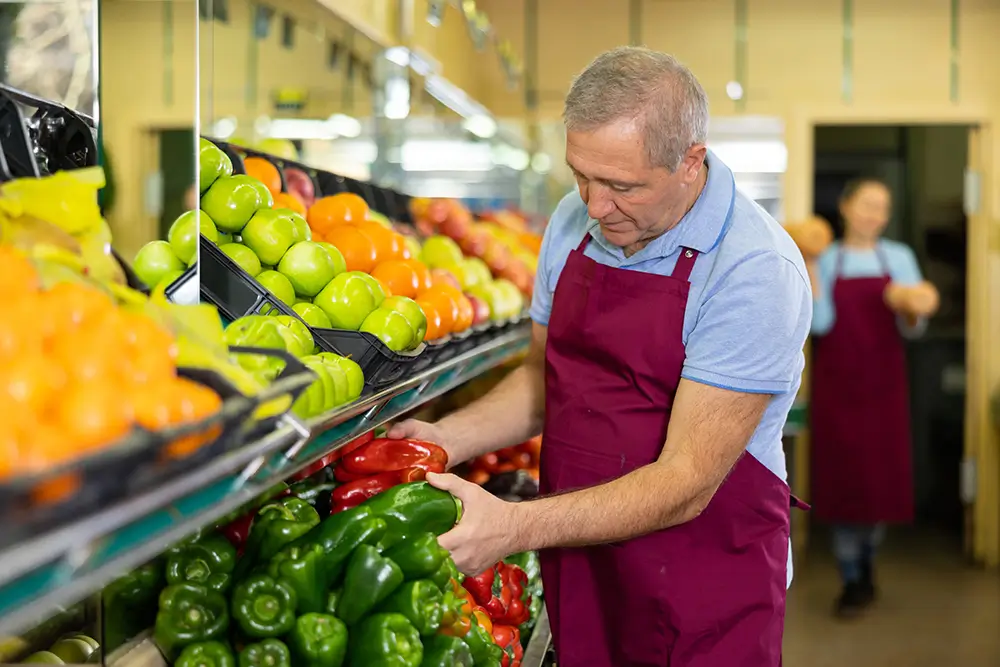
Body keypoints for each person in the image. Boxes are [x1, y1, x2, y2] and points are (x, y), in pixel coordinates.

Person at [390, 46, 812, 666]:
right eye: (580, 176)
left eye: (621, 185)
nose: (593, 206)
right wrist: (443, 438)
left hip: (704, 578)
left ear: (690, 162)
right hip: (581, 554)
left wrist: (512, 526)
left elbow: (685, 483)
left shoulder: (754, 270)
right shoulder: (571, 223)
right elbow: (543, 378)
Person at [806, 177, 940, 618]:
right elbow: (820, 325)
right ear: (845, 207)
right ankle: (851, 576)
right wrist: (808, 265)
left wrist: (911, 304)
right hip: (838, 390)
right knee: (845, 480)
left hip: (884, 390)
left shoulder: (898, 257)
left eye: (882, 207)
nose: (875, 215)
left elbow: (912, 325)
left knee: (879, 482)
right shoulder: (827, 258)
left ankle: (867, 562)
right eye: (867, 205)